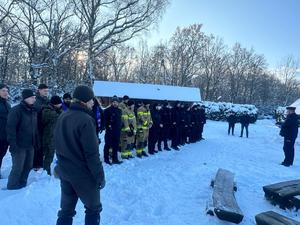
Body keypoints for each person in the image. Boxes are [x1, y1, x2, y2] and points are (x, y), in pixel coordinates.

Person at [54, 85, 105, 225]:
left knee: (66, 211)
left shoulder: (63, 116)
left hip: (65, 172)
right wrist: (99, 176)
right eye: (91, 100)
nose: (93, 102)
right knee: (93, 209)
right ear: (84, 101)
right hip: (83, 175)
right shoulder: (86, 120)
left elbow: (57, 143)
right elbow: (92, 154)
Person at [6, 89, 38, 189]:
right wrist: (13, 144)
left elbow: (35, 128)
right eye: (32, 97)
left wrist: (36, 142)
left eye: (34, 97)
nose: (34, 99)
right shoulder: (16, 110)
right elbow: (10, 129)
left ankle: (22, 184)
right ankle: (12, 186)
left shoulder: (33, 110)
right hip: (19, 145)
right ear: (26, 98)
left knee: (28, 166)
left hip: (30, 144)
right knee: (17, 167)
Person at [41, 95, 63, 175]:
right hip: (48, 137)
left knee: (53, 154)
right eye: (59, 103)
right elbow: (58, 117)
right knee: (48, 155)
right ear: (55, 104)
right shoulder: (47, 110)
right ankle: (46, 171)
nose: (61, 105)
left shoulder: (58, 110)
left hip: (55, 136)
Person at [33, 83, 49, 169]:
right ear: (39, 90)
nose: (46, 92)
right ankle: (36, 164)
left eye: (47, 91)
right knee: (37, 145)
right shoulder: (36, 100)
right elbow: (36, 111)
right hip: (37, 126)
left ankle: (40, 162)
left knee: (43, 144)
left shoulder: (46, 99)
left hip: (44, 126)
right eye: (44, 90)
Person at [103, 95, 122, 165]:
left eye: (116, 102)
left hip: (117, 131)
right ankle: (106, 158)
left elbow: (120, 120)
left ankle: (115, 158)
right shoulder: (107, 110)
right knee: (108, 145)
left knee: (115, 145)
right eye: (114, 102)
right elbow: (104, 121)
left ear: (118, 103)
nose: (115, 103)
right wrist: (106, 126)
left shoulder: (119, 111)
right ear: (111, 102)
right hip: (109, 131)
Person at [0, 84, 11, 178]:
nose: (5, 93)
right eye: (3, 90)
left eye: (6, 91)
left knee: (2, 155)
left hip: (5, 136)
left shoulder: (7, 104)